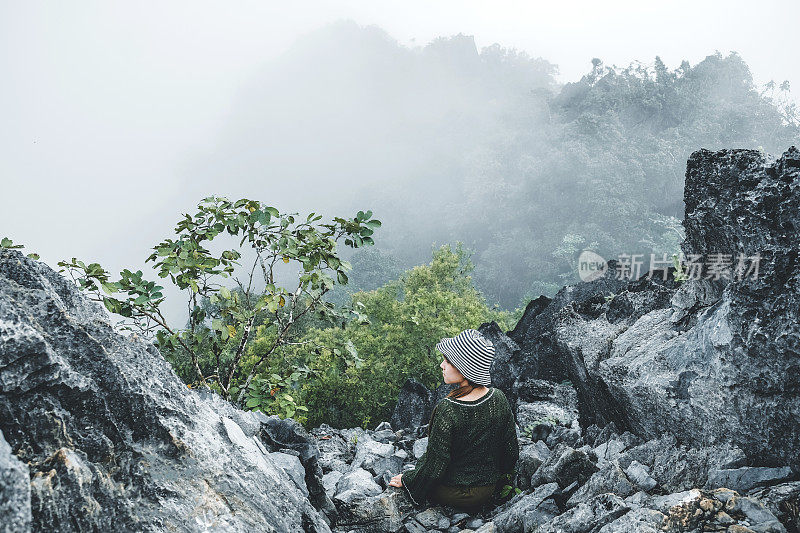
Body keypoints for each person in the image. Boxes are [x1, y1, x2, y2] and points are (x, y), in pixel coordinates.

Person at [388, 328, 520, 514]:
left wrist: (409, 480)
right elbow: (511, 453)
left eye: (448, 361)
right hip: (488, 489)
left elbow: (436, 465)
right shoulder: (498, 398)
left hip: (452, 493)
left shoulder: (448, 408)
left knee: (421, 467)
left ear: (465, 367)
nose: (442, 365)